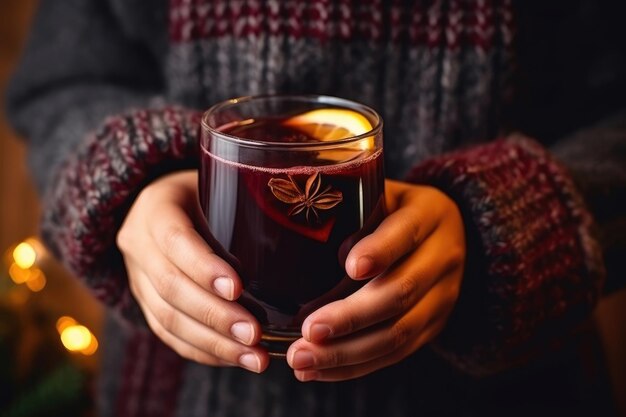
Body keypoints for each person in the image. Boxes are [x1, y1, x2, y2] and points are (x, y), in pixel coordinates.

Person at [6, 0, 625, 416]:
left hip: (516, 390)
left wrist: (504, 226)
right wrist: (130, 186)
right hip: (175, 390)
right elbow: (64, 83)